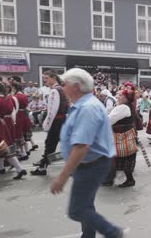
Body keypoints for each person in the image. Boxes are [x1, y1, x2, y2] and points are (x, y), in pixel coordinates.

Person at [50, 68, 127, 237]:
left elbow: (81, 147)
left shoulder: (87, 108)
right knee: (84, 206)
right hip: (89, 163)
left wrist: (61, 177)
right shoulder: (83, 105)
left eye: (65, 84)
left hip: (91, 164)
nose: (62, 88)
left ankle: (113, 233)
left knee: (77, 210)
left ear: (76, 86)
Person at [31, 70, 69, 176]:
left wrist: (47, 124)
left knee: (50, 144)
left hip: (56, 121)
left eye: (47, 78)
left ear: (53, 78)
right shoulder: (61, 89)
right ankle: (43, 166)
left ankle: (42, 167)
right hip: (62, 120)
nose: (45, 80)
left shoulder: (54, 91)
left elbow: (52, 110)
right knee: (62, 144)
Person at [103, 88, 139, 187]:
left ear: (126, 98)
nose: (117, 96)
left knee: (119, 157)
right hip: (124, 135)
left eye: (120, 95)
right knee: (122, 158)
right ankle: (111, 179)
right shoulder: (125, 106)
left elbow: (109, 120)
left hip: (121, 137)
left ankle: (111, 179)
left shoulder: (123, 107)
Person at [0, 81, 27, 179]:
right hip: (1, 124)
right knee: (1, 148)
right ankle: (0, 168)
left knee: (3, 148)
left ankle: (19, 168)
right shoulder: (5, 99)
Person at [12, 82, 33, 161]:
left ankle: (22, 152)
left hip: (18, 114)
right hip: (24, 113)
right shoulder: (24, 95)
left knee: (18, 133)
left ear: (15, 88)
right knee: (23, 133)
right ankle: (26, 150)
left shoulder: (16, 96)